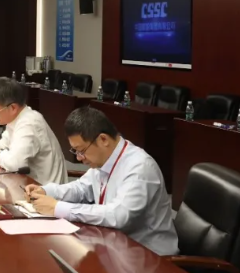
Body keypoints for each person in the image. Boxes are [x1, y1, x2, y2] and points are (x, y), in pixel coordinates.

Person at [25, 107, 178, 255]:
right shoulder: (104, 159)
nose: (79, 158)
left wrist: (58, 208)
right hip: (114, 245)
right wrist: (47, 191)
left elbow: (118, 216)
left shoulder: (139, 167)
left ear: (103, 139)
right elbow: (81, 188)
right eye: (75, 151)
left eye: (81, 150)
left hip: (149, 256)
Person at [0, 77, 67, 185]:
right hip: (30, 184)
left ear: (13, 108)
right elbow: (4, 144)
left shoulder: (29, 123)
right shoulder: (18, 118)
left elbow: (15, 164)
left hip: (45, 189)